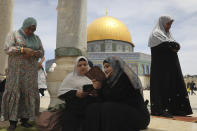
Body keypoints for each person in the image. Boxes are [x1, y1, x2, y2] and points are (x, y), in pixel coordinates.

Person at [84, 56, 150, 131]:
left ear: (116, 66)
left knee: (108, 107)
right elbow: (103, 100)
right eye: (104, 67)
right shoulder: (111, 81)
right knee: (93, 107)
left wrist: (103, 83)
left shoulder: (125, 78)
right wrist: (98, 89)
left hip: (139, 116)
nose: (105, 70)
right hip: (123, 113)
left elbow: (114, 98)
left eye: (108, 66)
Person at [1, 17, 44, 131]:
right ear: (25, 26)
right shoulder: (14, 34)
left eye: (33, 29)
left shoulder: (36, 38)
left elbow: (42, 52)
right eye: (29, 29)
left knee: (27, 93)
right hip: (16, 71)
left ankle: (25, 120)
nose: (30, 31)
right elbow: (7, 49)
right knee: (15, 92)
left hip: (30, 72)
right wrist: (22, 50)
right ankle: (13, 122)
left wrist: (34, 53)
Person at [148, 15, 192, 117]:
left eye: (170, 24)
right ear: (162, 23)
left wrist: (173, 45)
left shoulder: (167, 34)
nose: (169, 26)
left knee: (173, 86)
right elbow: (171, 46)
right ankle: (160, 109)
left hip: (170, 68)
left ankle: (174, 109)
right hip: (161, 69)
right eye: (168, 24)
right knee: (162, 87)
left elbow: (175, 46)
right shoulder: (156, 34)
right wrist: (173, 45)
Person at [58, 56, 99, 131]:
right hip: (74, 108)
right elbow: (62, 93)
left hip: (91, 108)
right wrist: (75, 93)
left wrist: (96, 93)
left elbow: (102, 93)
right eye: (79, 65)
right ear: (76, 67)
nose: (83, 67)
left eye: (85, 64)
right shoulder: (70, 77)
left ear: (88, 66)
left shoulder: (94, 77)